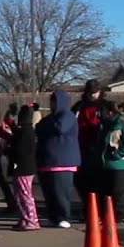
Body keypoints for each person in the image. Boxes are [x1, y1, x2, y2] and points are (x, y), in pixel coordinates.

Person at [35, 90, 80, 229]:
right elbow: (38, 127)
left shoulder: (68, 115)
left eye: (54, 100)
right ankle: (53, 217)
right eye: (51, 100)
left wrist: (45, 126)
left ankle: (63, 216)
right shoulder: (50, 118)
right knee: (49, 193)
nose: (52, 103)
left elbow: (59, 127)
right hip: (46, 161)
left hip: (62, 162)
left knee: (61, 193)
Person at [92, 101, 124, 221]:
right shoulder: (103, 126)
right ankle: (104, 215)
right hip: (103, 164)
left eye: (102, 111)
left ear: (110, 112)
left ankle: (118, 216)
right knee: (103, 191)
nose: (99, 113)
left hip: (118, 164)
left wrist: (118, 154)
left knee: (117, 192)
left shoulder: (122, 125)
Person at [71, 79, 106, 212]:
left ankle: (98, 208)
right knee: (80, 180)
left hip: (98, 148)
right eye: (90, 92)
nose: (92, 95)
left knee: (97, 181)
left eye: (95, 92)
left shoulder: (104, 106)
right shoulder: (79, 106)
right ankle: (88, 206)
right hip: (80, 147)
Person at [9, 104, 40, 231]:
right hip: (25, 167)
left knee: (25, 194)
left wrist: (9, 150)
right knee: (21, 194)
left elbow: (19, 150)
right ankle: (25, 218)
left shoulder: (24, 132)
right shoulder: (28, 131)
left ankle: (31, 220)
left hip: (23, 168)